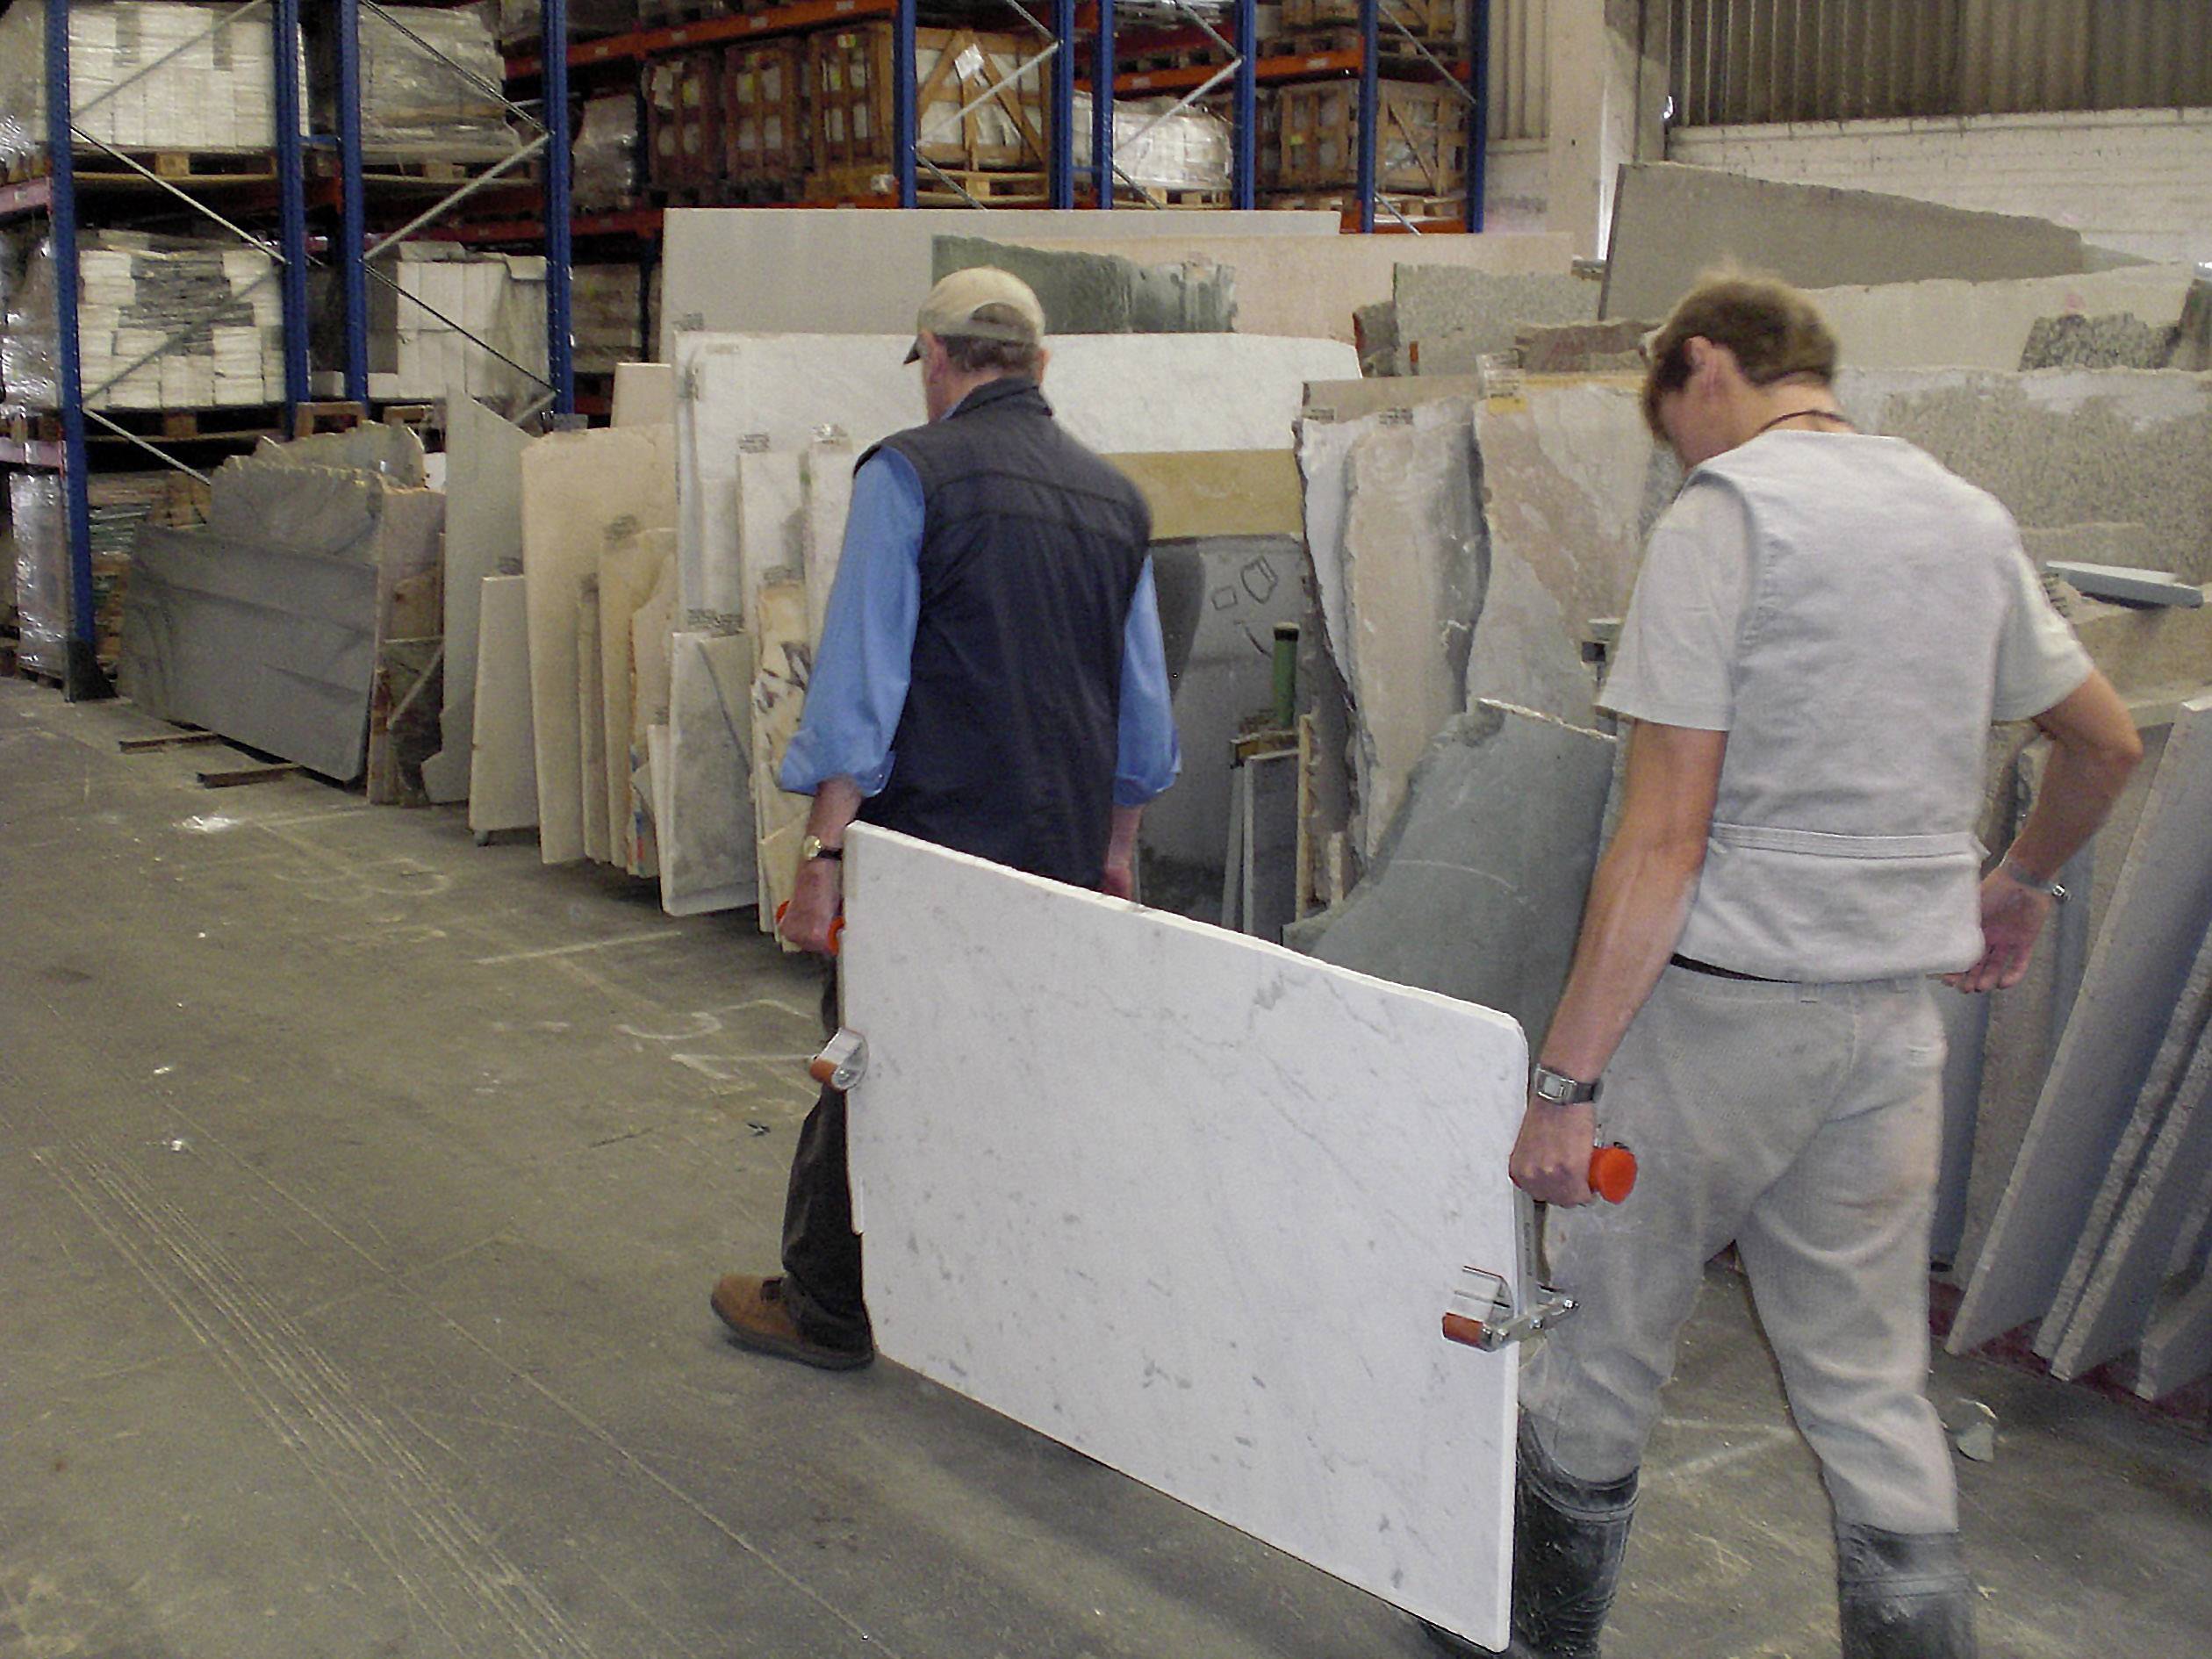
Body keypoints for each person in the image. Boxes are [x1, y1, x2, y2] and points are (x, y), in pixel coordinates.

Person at [1487, 274, 2142, 1658]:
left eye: (1676, 426)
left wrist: (1565, 1082)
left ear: (1706, 366)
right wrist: (2020, 882)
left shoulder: (1728, 519)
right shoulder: (1967, 518)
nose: (1685, 459)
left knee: (1604, 1345)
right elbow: (2105, 743)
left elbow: (1662, 839)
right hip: (1894, 1033)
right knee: (1867, 1380)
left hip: (1723, 1024)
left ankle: (1533, 1641)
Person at [709, 269, 1181, 1372]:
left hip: (927, 850)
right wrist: (1115, 853)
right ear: (1041, 366)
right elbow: (1143, 713)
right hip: (1058, 846)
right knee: (1030, 1075)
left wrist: (823, 853)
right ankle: (1040, 1331)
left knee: (866, 1061)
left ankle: (826, 1305)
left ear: (933, 354)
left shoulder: (908, 475)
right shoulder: (1115, 500)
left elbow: (861, 686)